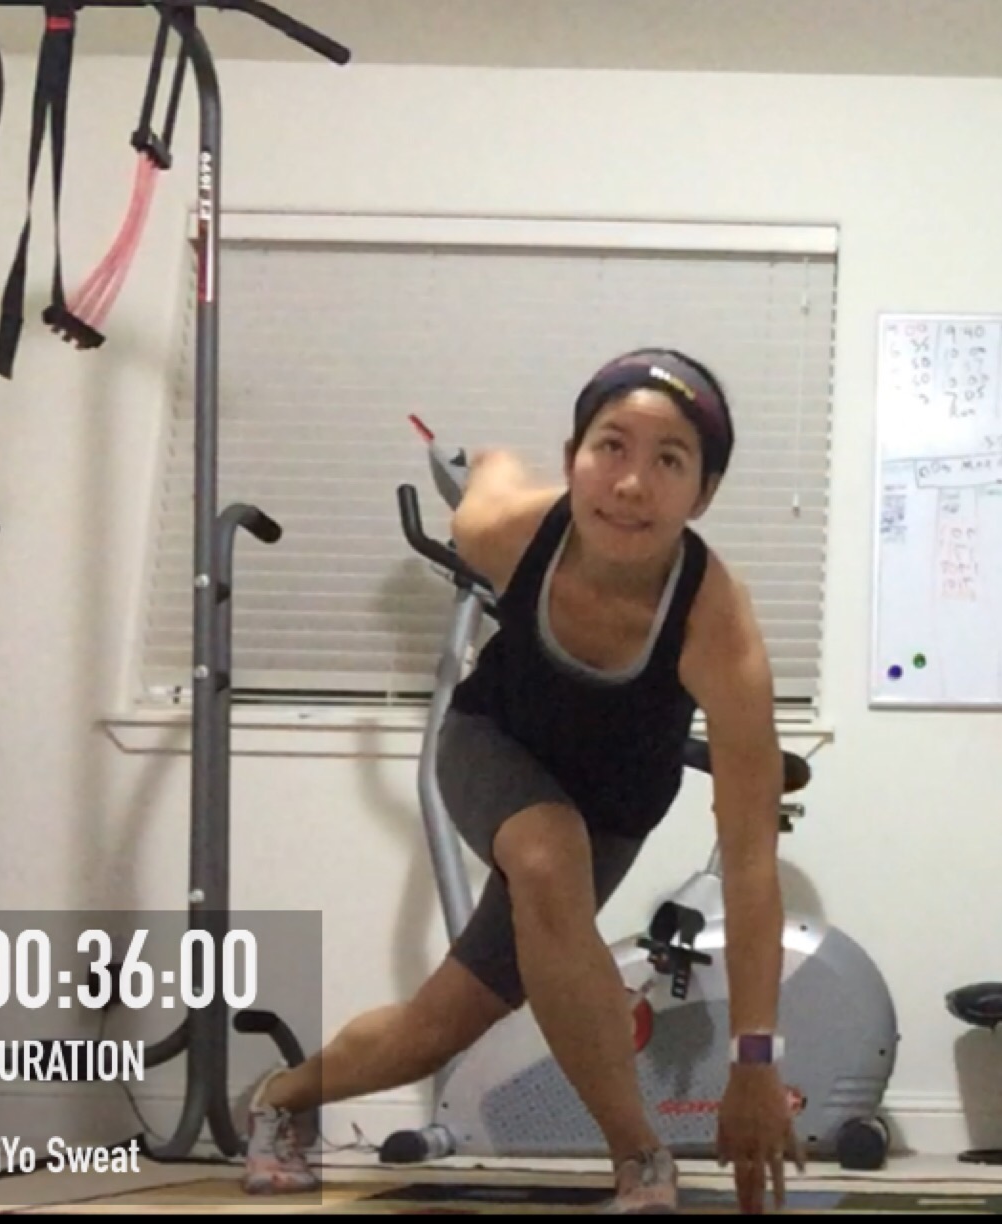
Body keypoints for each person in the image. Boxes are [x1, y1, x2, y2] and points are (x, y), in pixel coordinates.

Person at [240, 347, 803, 1213]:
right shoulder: (506, 529)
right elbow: (493, 471)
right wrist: (486, 466)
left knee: (435, 1028)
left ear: (704, 494)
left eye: (669, 460)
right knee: (545, 852)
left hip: (611, 815)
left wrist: (754, 1061)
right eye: (610, 447)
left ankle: (280, 1097)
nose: (631, 484)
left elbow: (753, 861)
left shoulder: (717, 627)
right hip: (489, 744)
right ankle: (641, 1158)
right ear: (573, 456)